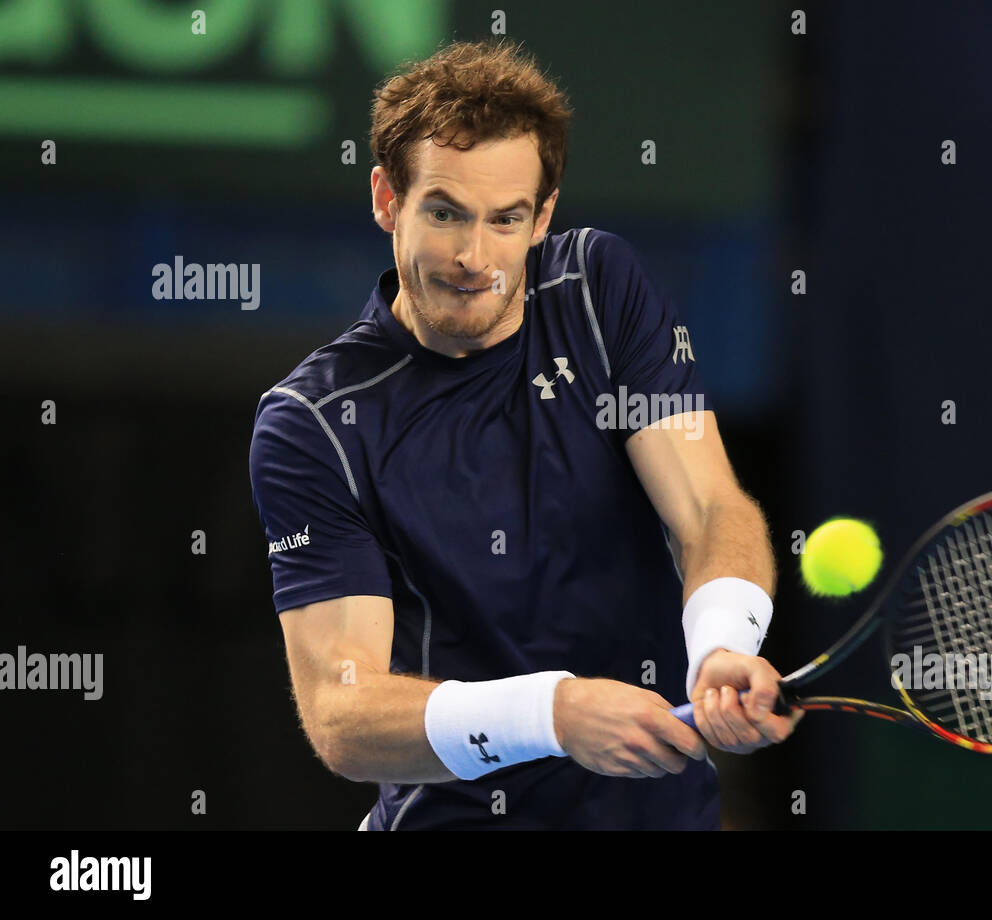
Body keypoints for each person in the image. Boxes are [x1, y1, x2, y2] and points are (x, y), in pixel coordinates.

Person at [248, 38, 801, 831]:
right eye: (444, 213)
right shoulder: (312, 424)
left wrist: (720, 646)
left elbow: (712, 510)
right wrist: (555, 714)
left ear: (542, 216)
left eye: (506, 219)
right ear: (386, 200)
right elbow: (342, 713)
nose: (475, 257)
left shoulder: (598, 291)